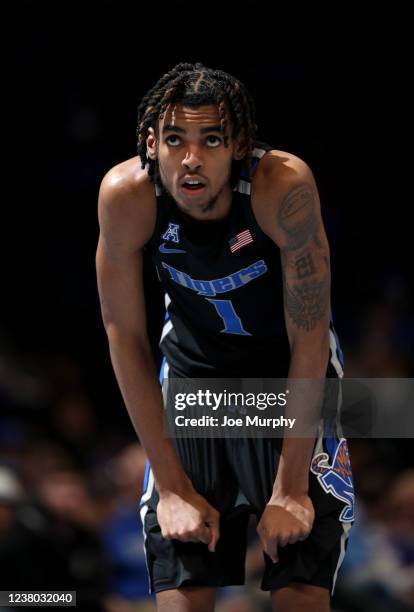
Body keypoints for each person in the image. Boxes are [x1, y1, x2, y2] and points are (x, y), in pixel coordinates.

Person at [96, 62, 355, 612]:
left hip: (285, 373)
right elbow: (123, 335)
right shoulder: (127, 196)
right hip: (195, 373)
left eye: (210, 139)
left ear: (238, 143)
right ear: (151, 143)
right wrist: (170, 489)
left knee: (300, 589)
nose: (191, 159)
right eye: (174, 140)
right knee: (182, 590)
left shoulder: (281, 185)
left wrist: (289, 490)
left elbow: (309, 336)